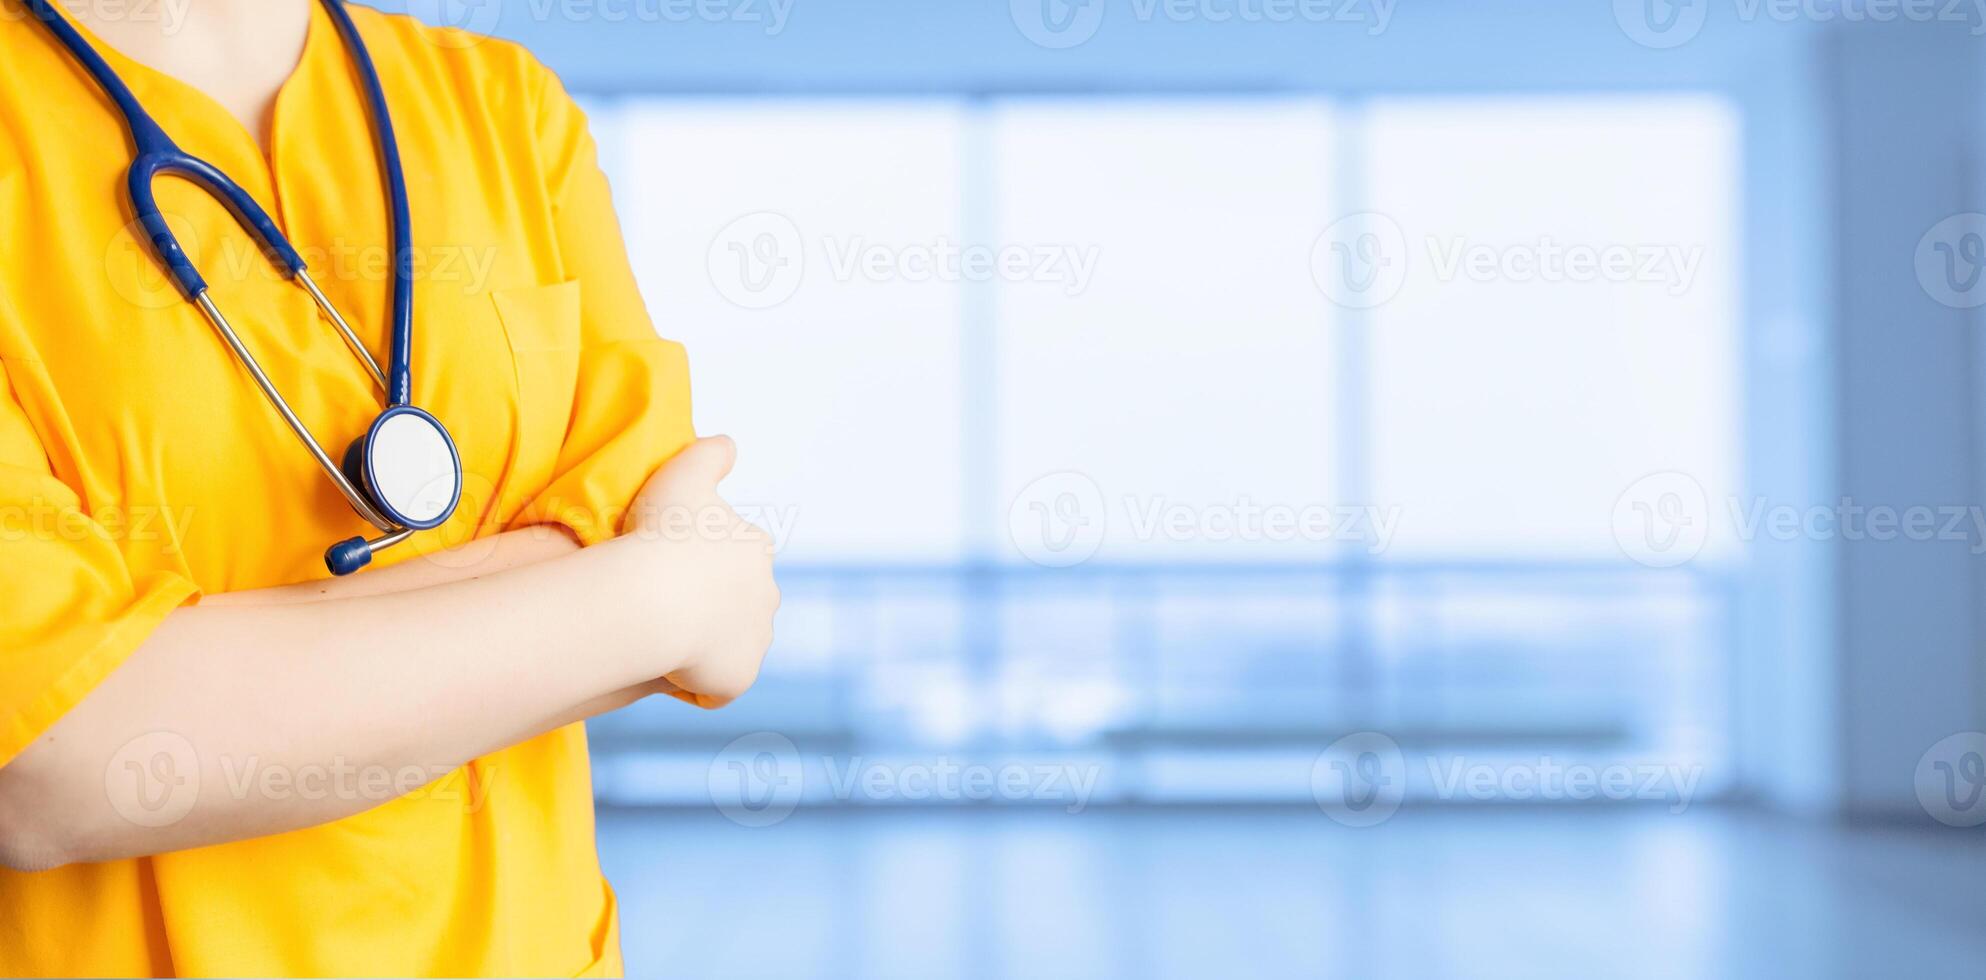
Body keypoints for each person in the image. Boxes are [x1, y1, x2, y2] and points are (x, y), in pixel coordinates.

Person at [0, 0, 781, 975]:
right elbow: (54, 761)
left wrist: (174, 661)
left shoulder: (505, 109)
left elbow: (713, 614)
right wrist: (652, 597)